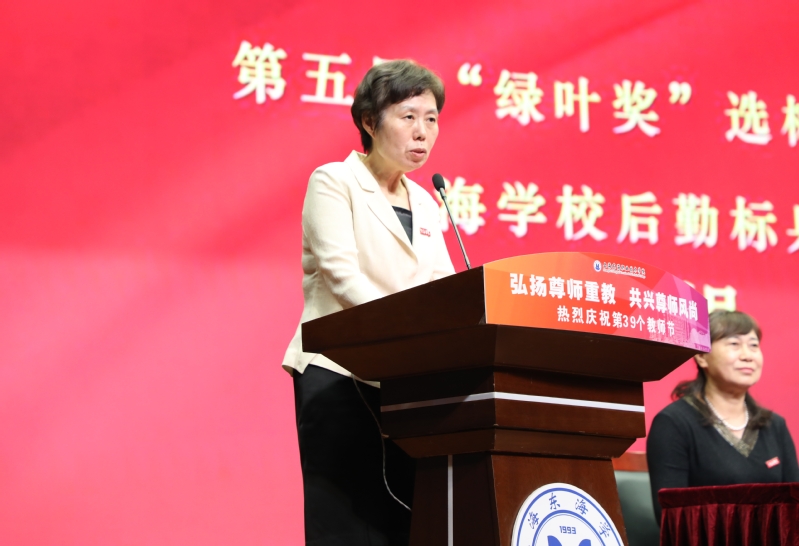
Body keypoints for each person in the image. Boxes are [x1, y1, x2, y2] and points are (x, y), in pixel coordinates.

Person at [282, 60, 455, 546]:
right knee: (345, 528)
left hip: (405, 386)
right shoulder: (334, 181)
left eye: (432, 118)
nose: (422, 131)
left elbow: (444, 290)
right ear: (369, 122)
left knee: (403, 527)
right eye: (408, 117)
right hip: (339, 375)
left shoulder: (426, 202)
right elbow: (342, 277)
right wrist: (407, 338)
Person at [647, 310, 799, 523]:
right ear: (701, 356)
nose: (747, 355)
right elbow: (671, 516)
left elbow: (794, 508)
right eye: (734, 344)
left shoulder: (774, 426)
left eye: (753, 345)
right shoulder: (674, 423)